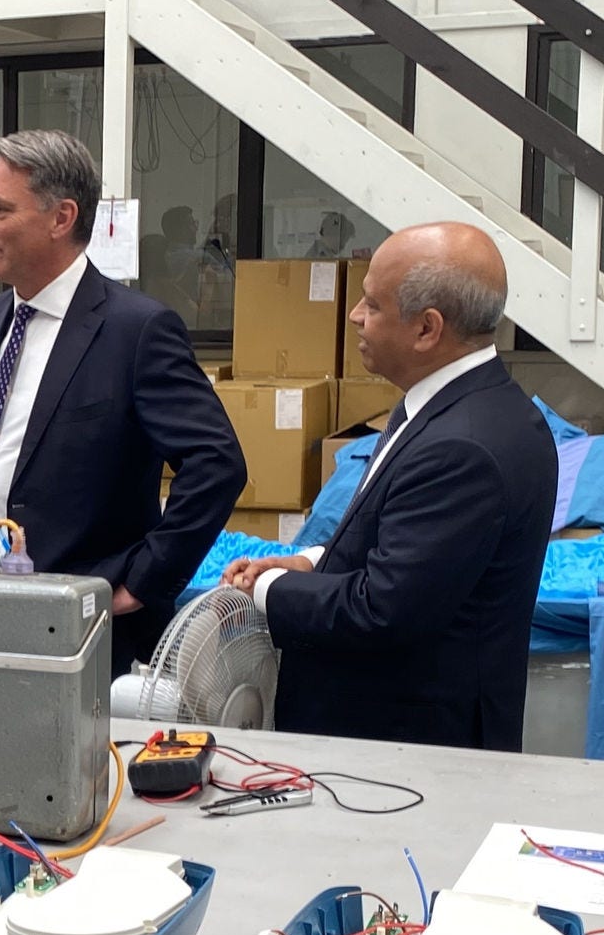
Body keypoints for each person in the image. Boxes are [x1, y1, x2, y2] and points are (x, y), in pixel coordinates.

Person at [0, 130, 245, 673]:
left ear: (61, 217)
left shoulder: (136, 331)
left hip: (86, 629)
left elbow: (217, 464)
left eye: (0, 209)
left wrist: (144, 579)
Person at [223, 222, 557, 751]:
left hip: (410, 751)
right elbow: (401, 547)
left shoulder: (462, 447)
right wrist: (309, 563)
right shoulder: (454, 404)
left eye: (372, 305)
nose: (355, 315)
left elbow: (382, 609)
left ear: (427, 329)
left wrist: (262, 591)